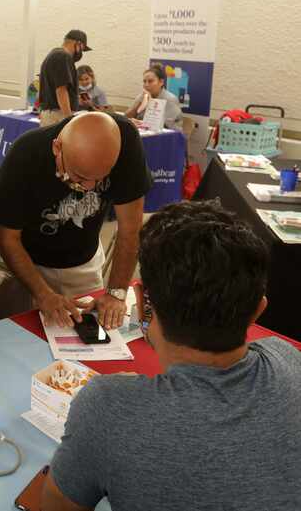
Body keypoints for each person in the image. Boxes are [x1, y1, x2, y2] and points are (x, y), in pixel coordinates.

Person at [42, 200, 301, 511]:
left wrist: (120, 402)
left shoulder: (106, 407)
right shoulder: (289, 358)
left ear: (141, 303)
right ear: (258, 310)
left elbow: (55, 507)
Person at [0, 112, 150, 330]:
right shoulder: (25, 154)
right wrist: (42, 294)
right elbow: (7, 238)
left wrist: (115, 293)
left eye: (100, 179)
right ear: (57, 148)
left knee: (88, 335)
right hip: (25, 263)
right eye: (80, 178)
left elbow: (130, 229)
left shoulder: (125, 142)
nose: (90, 187)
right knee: (14, 334)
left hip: (82, 263)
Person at [38, 30, 91, 127]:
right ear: (78, 43)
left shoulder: (54, 54)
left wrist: (76, 100)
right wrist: (68, 119)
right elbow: (61, 90)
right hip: (58, 115)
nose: (81, 53)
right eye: (82, 49)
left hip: (51, 113)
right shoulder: (63, 56)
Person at [125, 64, 183, 131]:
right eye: (144, 81)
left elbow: (164, 125)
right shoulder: (142, 96)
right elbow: (126, 117)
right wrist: (140, 103)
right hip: (144, 132)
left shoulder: (170, 99)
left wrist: (141, 123)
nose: (146, 85)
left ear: (161, 82)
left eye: (150, 81)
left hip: (168, 135)